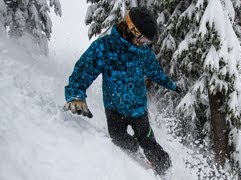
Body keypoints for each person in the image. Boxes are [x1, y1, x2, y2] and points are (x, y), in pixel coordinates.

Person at [63, 7, 181, 175]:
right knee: (121, 142)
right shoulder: (105, 47)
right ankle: (135, 167)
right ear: (131, 30)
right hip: (114, 109)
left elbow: (155, 72)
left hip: (138, 110)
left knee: (149, 144)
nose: (145, 44)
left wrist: (171, 85)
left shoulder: (143, 53)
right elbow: (84, 71)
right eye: (143, 40)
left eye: (147, 42)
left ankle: (168, 173)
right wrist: (76, 94)